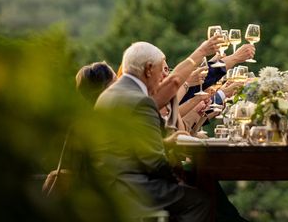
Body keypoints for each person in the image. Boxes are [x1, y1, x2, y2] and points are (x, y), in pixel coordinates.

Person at [93, 38, 220, 222]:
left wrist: (167, 142)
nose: (162, 78)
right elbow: (155, 164)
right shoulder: (141, 101)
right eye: (162, 71)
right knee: (199, 200)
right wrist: (180, 180)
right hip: (129, 186)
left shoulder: (110, 94)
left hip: (105, 183)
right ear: (148, 69)